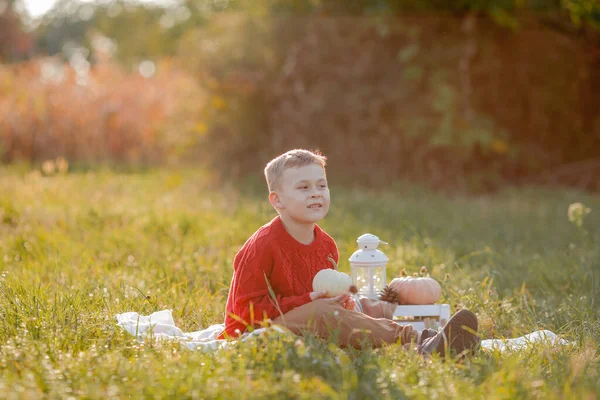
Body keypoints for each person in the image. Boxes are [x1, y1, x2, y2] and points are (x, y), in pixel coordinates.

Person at [219, 149, 479, 357]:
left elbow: (318, 296)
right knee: (323, 314)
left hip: (309, 325)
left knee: (361, 304)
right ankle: (420, 342)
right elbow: (242, 313)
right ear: (277, 200)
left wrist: (339, 300)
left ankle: (447, 337)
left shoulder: (326, 245)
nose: (316, 194)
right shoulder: (262, 245)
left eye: (321, 185)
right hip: (256, 332)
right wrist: (310, 301)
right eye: (303, 188)